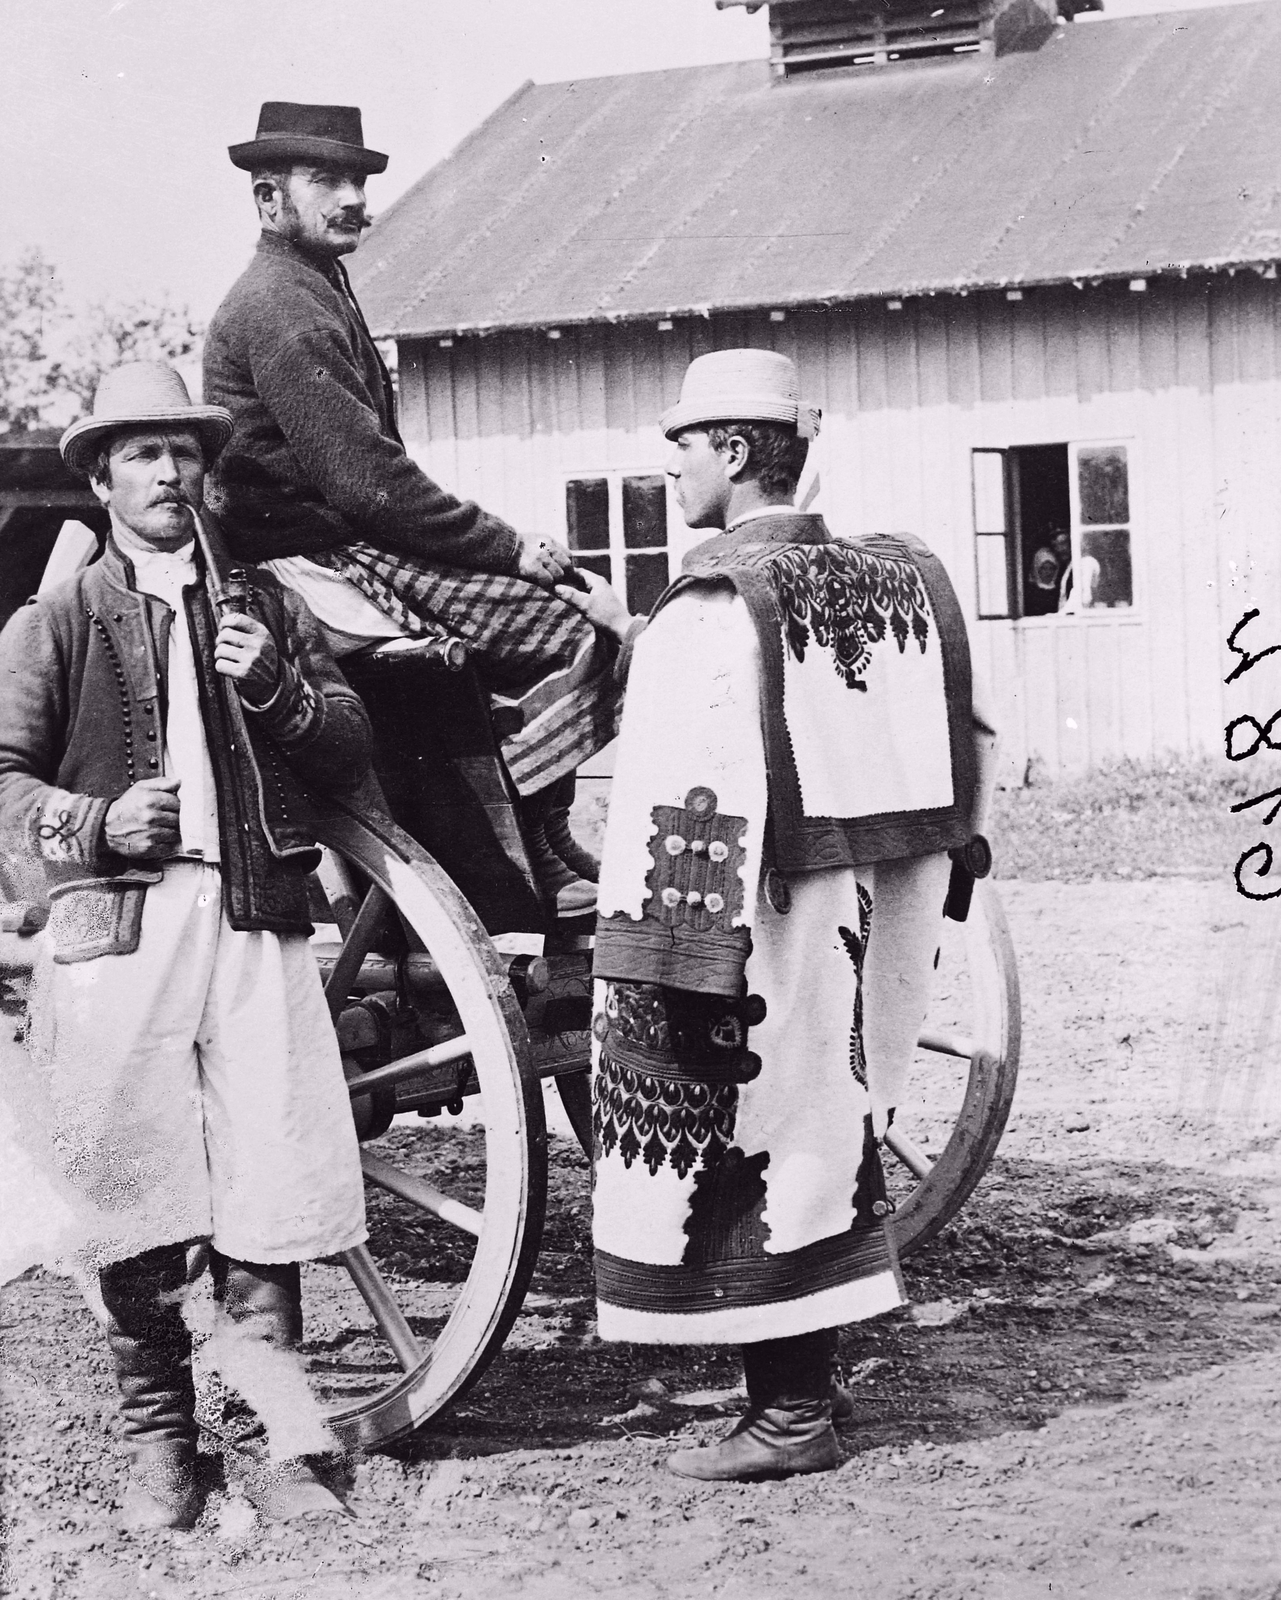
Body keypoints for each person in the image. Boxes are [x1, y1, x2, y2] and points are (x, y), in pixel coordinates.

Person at [562, 350, 1001, 1481]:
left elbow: (675, 800)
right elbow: (960, 753)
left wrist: (665, 966)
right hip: (845, 911)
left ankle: (790, 1412)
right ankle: (806, 1392)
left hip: (735, 927)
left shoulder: (714, 608)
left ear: (740, 452)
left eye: (687, 445)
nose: (672, 467)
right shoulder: (874, 587)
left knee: (745, 1143)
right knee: (817, 1129)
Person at [0, 362, 374, 1529]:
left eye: (184, 452)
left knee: (271, 1172)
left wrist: (280, 693)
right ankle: (161, 1442)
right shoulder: (56, 620)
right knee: (131, 1182)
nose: (168, 473)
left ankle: (282, 1444)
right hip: (115, 934)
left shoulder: (263, 605)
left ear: (206, 471)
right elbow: (1, 783)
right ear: (102, 477)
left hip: (255, 916)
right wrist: (97, 822)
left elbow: (353, 748)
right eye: (142, 453)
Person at [203, 102, 618, 916]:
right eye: (327, 180)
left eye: (357, 179)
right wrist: (507, 548)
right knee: (566, 627)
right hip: (307, 560)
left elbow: (372, 479)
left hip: (346, 542)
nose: (353, 196)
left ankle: (542, 829)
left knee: (553, 627)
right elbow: (367, 485)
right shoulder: (281, 303)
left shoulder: (314, 282)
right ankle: (530, 841)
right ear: (267, 200)